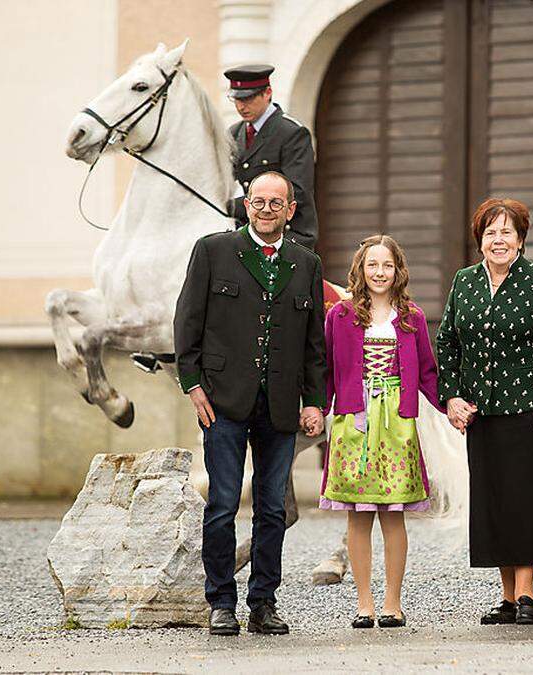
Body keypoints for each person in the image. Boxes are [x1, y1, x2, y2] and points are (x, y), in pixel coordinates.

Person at [174, 170, 327, 636]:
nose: (265, 209)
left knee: (272, 509)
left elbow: (314, 344)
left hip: (280, 406)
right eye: (257, 201)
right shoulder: (213, 250)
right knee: (221, 503)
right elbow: (187, 320)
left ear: (290, 209)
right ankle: (221, 601)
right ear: (247, 203)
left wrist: (315, 402)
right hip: (221, 400)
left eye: (275, 203)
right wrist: (193, 384)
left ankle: (263, 602)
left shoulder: (306, 263)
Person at [436, 197, 533, 626]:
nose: (498, 239)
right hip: (482, 413)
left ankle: (528, 594)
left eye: (506, 232)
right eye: (490, 232)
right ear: (480, 240)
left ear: (521, 239)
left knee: (525, 501)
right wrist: (452, 397)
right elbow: (447, 343)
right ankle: (508, 598)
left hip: (529, 412)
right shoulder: (464, 282)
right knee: (493, 503)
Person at [320, 235, 444, 629]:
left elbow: (427, 372)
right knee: (358, 515)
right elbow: (326, 370)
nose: (379, 272)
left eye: (387, 265)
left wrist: (452, 405)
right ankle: (364, 603)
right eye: (372, 265)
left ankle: (393, 601)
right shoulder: (339, 316)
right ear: (360, 269)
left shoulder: (412, 318)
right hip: (354, 420)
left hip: (397, 424)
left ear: (398, 271)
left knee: (393, 516)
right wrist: (315, 408)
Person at [224, 64, 318, 250]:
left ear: (267, 93)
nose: (241, 106)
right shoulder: (234, 134)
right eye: (236, 99)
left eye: (248, 98)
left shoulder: (292, 133)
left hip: (288, 237)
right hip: (247, 236)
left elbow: (297, 192)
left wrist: (234, 207)